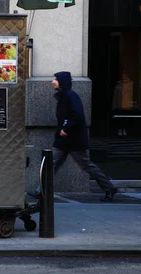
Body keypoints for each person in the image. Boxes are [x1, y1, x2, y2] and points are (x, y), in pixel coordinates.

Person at [29, 71, 119, 201]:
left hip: (73, 140)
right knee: (50, 164)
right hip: (63, 140)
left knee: (86, 165)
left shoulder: (71, 96)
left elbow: (77, 115)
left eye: (55, 79)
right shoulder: (64, 96)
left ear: (62, 82)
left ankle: (109, 188)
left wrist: (66, 128)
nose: (52, 81)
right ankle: (41, 191)